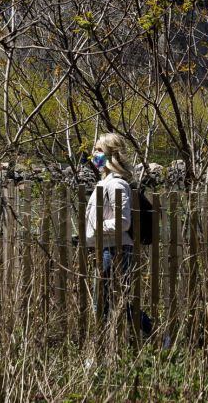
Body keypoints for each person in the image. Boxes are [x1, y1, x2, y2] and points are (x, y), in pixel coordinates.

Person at [84, 132, 151, 334]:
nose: (93, 154)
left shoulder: (116, 184)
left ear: (109, 154)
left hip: (115, 250)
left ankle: (153, 333)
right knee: (111, 302)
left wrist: (97, 228)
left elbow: (123, 221)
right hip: (108, 248)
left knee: (108, 302)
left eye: (97, 150)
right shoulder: (106, 182)